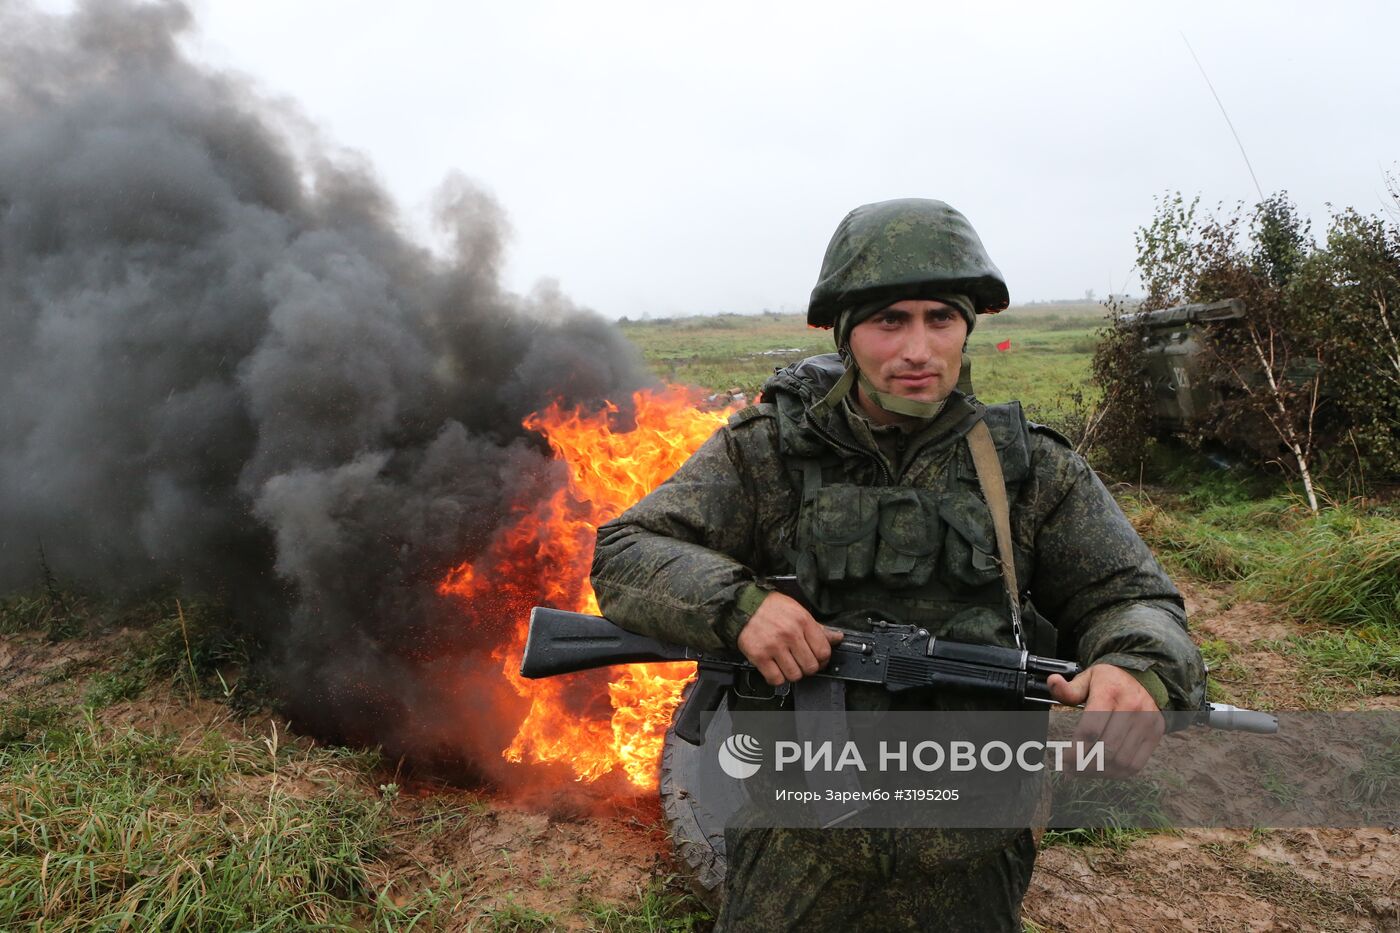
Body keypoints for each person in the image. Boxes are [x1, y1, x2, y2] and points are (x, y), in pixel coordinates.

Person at [590, 198, 1205, 931]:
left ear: (966, 327)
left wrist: (1135, 664)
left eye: (940, 319)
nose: (918, 348)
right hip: (795, 850)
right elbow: (625, 551)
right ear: (848, 334)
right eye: (890, 321)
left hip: (972, 849)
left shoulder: (1030, 469)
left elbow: (1134, 598)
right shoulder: (766, 452)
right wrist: (740, 606)